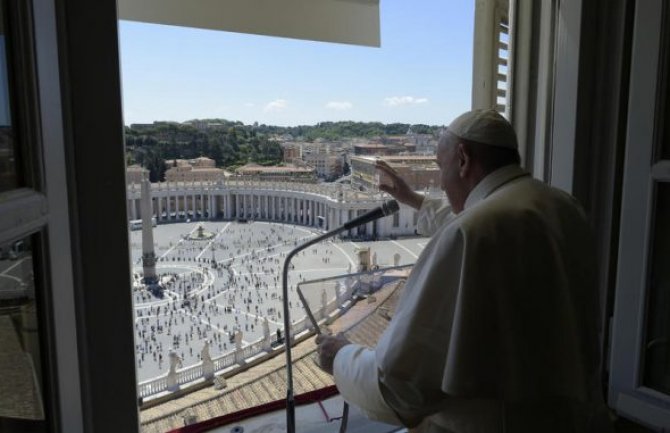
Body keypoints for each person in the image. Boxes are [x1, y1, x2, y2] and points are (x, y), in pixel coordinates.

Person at [316, 109, 612, 432]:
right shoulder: (564, 207)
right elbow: (485, 217)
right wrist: (412, 199)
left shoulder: (468, 234)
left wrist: (341, 358)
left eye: (441, 168)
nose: (441, 182)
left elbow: (400, 387)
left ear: (463, 159)